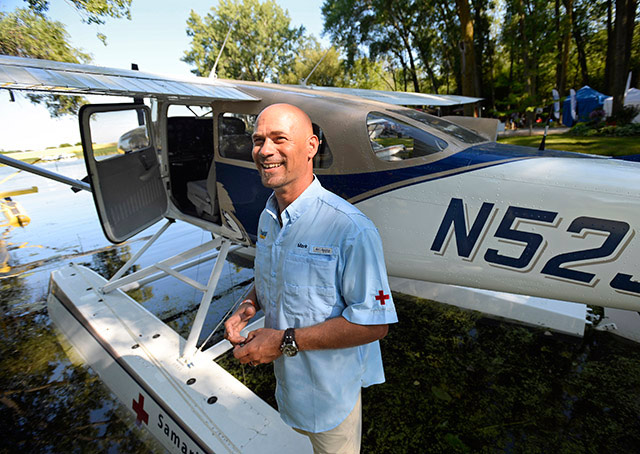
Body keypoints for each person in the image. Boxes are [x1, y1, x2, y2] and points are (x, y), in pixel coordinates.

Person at [224, 103, 398, 454]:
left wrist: (281, 342)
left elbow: (375, 325)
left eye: (279, 139)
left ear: (311, 147)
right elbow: (274, 270)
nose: (265, 151)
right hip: (290, 390)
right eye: (258, 140)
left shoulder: (350, 229)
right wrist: (249, 303)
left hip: (332, 399)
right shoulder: (268, 215)